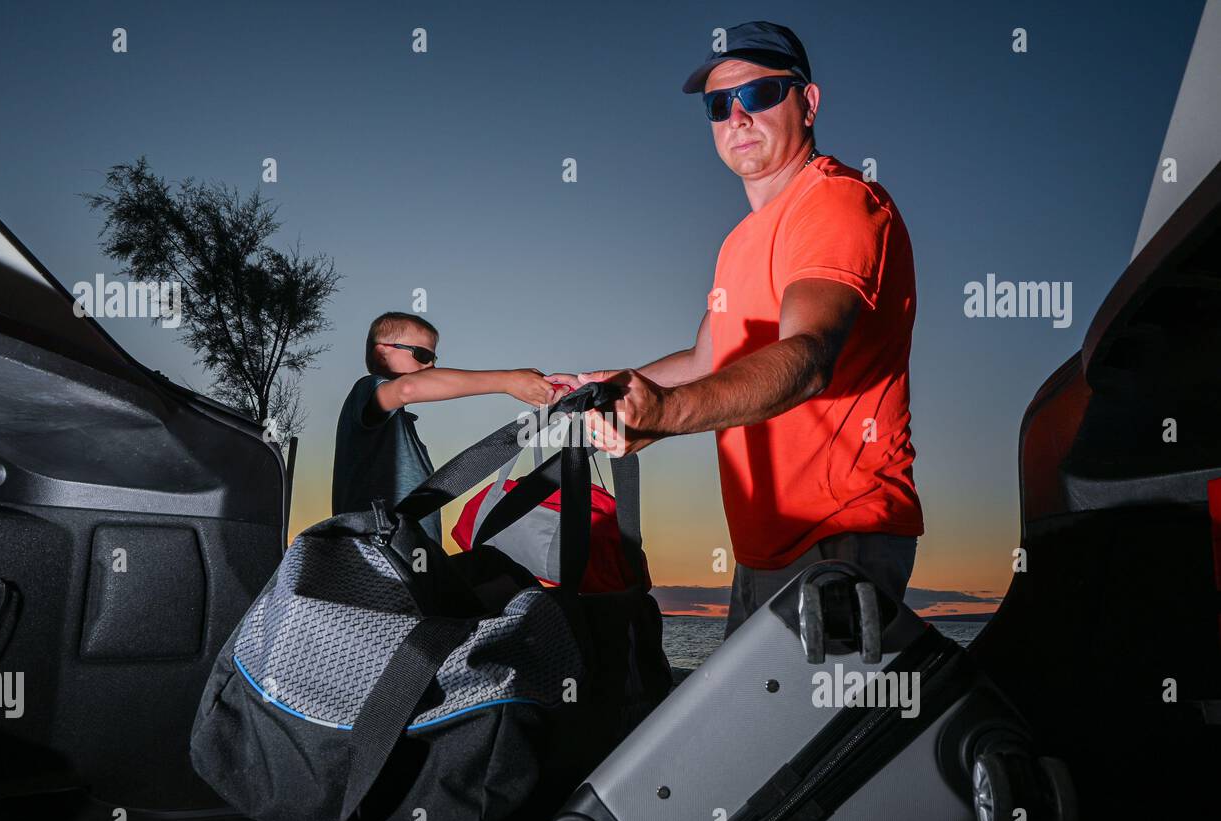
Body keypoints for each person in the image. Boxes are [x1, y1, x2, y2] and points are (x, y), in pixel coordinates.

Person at [548, 21, 924, 637]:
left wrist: (666, 413)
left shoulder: (836, 202)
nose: (738, 117)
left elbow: (807, 357)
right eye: (719, 105)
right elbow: (708, 357)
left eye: (760, 94)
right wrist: (608, 385)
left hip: (838, 539)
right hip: (760, 545)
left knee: (809, 735)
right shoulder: (738, 242)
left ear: (808, 102)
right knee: (742, 731)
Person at [332, 311, 555, 542]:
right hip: (378, 560)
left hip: (407, 558)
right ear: (381, 354)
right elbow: (407, 389)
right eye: (421, 354)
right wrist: (508, 381)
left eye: (433, 359)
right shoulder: (367, 390)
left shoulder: (396, 425)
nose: (430, 366)